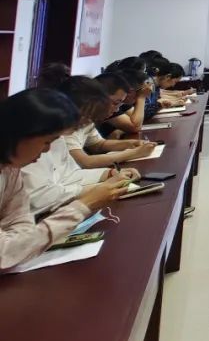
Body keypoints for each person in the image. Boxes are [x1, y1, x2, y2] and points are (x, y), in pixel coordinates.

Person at [1, 88, 131, 270]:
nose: (47, 150)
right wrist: (84, 205)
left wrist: (21, 246)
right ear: (20, 133)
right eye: (47, 141)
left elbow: (19, 225)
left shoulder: (10, 169)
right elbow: (5, 253)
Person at [64, 77, 157, 169]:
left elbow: (98, 145)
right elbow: (85, 162)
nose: (116, 110)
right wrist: (134, 153)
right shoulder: (66, 125)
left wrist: (131, 143)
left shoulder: (87, 118)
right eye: (115, 103)